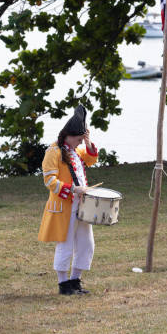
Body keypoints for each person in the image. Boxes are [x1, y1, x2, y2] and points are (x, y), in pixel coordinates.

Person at [38, 105, 98, 295]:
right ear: (69, 136)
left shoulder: (74, 150)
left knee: (86, 243)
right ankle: (63, 284)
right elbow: (50, 180)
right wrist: (73, 189)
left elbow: (90, 160)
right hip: (64, 206)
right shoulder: (53, 152)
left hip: (81, 204)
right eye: (79, 140)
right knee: (65, 244)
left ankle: (75, 280)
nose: (80, 144)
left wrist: (88, 143)